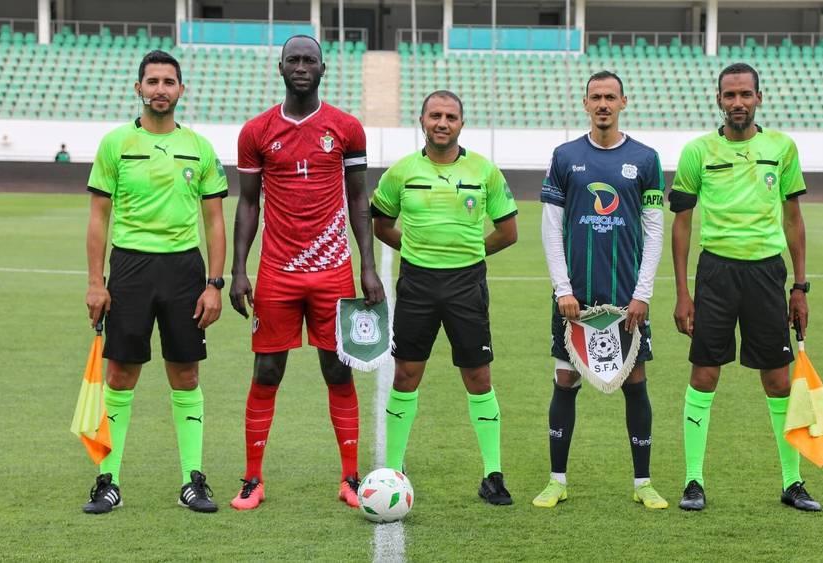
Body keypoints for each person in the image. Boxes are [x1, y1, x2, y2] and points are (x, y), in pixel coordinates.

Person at [228, 35, 384, 511]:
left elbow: (359, 199)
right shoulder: (257, 131)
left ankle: (351, 478)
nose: (301, 66)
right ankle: (252, 480)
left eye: (308, 60)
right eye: (293, 59)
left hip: (333, 272)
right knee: (267, 371)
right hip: (276, 273)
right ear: (280, 67)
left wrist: (368, 267)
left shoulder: (346, 128)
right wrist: (239, 270)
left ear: (323, 67)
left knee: (338, 371)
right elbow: (248, 203)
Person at [669, 63, 820, 512]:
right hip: (715, 273)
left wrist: (800, 286)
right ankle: (693, 481)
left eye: (745, 94)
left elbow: (793, 219)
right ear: (718, 99)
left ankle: (792, 481)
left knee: (777, 379)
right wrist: (682, 292)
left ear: (759, 97)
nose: (738, 102)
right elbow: (681, 225)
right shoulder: (698, 151)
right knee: (704, 374)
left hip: (766, 274)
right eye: (730, 95)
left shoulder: (781, 148)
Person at [83, 50, 227, 514]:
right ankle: (108, 480)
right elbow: (98, 217)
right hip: (129, 269)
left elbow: (215, 222)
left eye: (169, 82)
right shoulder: (115, 144)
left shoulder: (200, 148)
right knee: (120, 375)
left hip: (184, 270)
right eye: (152, 81)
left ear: (181, 90)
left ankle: (192, 481)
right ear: (138, 88)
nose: (160, 89)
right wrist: (95, 282)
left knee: (186, 373)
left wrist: (214, 284)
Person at [371, 90, 519, 505]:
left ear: (461, 123)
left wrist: (468, 254)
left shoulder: (484, 171)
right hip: (417, 284)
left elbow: (508, 232)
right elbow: (381, 224)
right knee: (406, 374)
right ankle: (394, 470)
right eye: (434, 115)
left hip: (466, 285)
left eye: (450, 116)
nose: (442, 122)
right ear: (421, 121)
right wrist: (418, 250)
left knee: (478, 376)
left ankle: (493, 474)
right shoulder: (401, 173)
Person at [532, 71, 667, 510]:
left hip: (626, 298)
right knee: (565, 379)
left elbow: (654, 230)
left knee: (637, 382)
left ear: (624, 102)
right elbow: (551, 229)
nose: (603, 103)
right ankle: (557, 481)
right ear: (585, 103)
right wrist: (562, 290)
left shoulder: (646, 159)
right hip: (576, 299)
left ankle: (643, 483)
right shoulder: (564, 156)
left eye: (611, 97)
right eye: (596, 97)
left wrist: (642, 294)